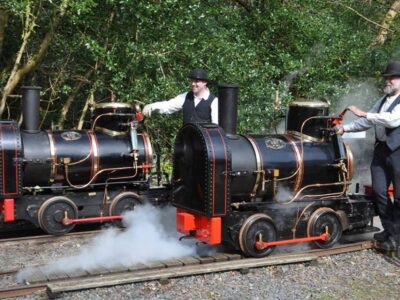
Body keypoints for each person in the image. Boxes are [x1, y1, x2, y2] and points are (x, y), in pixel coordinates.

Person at [337, 60, 400, 251]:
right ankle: (390, 230)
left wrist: (364, 113)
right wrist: (344, 128)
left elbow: (392, 120)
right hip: (381, 151)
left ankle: (395, 236)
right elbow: (365, 122)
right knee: (379, 193)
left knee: (399, 198)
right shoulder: (382, 101)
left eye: (392, 78)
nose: (388, 81)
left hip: (398, 152)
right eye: (386, 78)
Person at [142, 68, 218, 124]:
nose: (193, 84)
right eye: (192, 81)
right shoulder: (186, 96)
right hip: (185, 142)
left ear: (205, 83)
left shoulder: (214, 101)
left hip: (205, 144)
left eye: (196, 81)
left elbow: (216, 126)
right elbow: (168, 106)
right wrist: (151, 106)